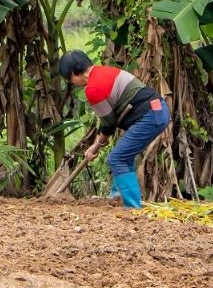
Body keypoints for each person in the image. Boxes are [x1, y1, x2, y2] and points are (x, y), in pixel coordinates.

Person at [58, 49, 170, 209]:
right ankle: (116, 197)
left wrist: (96, 146)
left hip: (150, 115)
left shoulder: (93, 88)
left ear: (74, 73)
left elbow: (109, 124)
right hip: (158, 109)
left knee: (117, 158)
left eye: (69, 79)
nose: (72, 83)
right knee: (123, 155)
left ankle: (132, 207)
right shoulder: (104, 71)